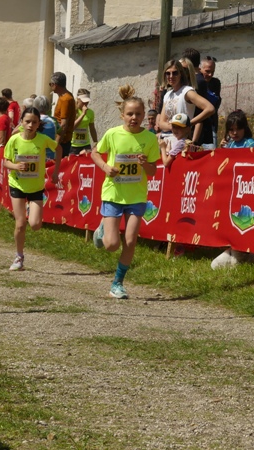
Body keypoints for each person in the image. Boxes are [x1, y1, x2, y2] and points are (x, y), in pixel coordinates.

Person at [90, 85, 159, 299]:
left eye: (138, 114)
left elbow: (153, 171)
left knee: (130, 240)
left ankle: (118, 283)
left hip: (136, 196)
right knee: (112, 245)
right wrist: (105, 167)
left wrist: (145, 164)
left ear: (144, 115)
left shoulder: (150, 139)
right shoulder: (113, 134)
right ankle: (102, 229)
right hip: (113, 194)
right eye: (130, 114)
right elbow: (95, 153)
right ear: (122, 115)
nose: (134, 118)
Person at [3, 107, 62, 271]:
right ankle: (19, 257)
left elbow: (58, 149)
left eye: (34, 122)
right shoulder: (14, 140)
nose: (30, 125)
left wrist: (56, 172)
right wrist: (16, 166)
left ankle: (30, 208)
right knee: (20, 224)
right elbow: (5, 161)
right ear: (21, 122)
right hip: (17, 185)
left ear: (38, 124)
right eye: (27, 121)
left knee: (35, 225)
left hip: (36, 187)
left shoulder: (43, 139)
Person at [212, 110, 254, 269]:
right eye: (231, 129)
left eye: (238, 129)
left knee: (246, 220)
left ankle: (250, 253)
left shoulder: (251, 144)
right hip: (232, 190)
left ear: (244, 128)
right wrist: (222, 151)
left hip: (248, 190)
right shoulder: (230, 144)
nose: (234, 133)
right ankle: (233, 247)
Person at [157, 60, 214, 147]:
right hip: (166, 139)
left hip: (181, 141)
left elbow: (210, 108)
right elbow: (161, 123)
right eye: (168, 73)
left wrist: (188, 124)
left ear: (181, 74)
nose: (171, 76)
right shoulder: (167, 95)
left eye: (175, 73)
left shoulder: (187, 91)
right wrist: (174, 126)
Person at [183, 48, 215, 149]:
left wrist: (194, 140)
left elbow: (200, 111)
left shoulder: (199, 81)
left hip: (196, 131)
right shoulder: (194, 79)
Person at [50, 72, 76, 158]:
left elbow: (63, 124)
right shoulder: (64, 96)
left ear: (55, 85)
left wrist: (56, 143)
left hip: (62, 141)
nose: (50, 86)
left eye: (50, 84)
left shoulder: (66, 99)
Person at [201, 56, 222, 147]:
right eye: (207, 71)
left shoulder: (215, 83)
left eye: (212, 72)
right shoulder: (194, 83)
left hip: (211, 125)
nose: (210, 74)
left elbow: (214, 104)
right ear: (200, 69)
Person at [70, 88, 97, 155]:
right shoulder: (73, 111)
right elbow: (72, 127)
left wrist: (96, 142)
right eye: (84, 101)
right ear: (78, 99)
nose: (86, 103)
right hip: (73, 145)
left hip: (85, 144)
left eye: (87, 101)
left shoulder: (90, 112)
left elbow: (92, 128)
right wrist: (83, 114)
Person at [33, 95, 59, 160]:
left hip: (35, 155)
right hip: (50, 155)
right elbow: (60, 133)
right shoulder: (54, 121)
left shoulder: (32, 120)